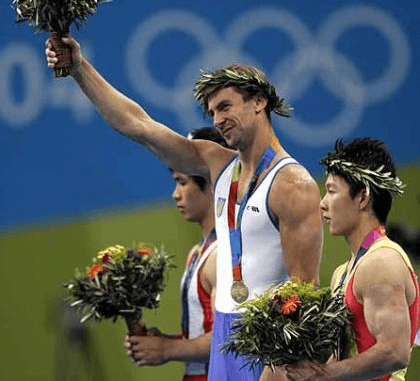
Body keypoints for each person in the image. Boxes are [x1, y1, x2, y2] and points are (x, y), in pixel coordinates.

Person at [45, 37, 323, 381]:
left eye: (225, 106)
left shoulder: (293, 185)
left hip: (265, 345)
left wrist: (278, 366)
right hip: (224, 338)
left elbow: (304, 291)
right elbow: (139, 126)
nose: (218, 120)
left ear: (259, 101)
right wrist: (79, 69)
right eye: (212, 112)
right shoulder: (217, 164)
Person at [284, 138, 420, 381]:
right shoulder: (343, 272)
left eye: (331, 191)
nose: (322, 204)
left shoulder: (381, 263)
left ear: (363, 197)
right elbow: (345, 358)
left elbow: (395, 352)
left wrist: (321, 375)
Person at [123, 127, 228, 380]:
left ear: (211, 183)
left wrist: (167, 350)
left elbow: (227, 340)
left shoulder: (221, 255)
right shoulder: (198, 252)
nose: (175, 194)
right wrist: (163, 341)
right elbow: (204, 330)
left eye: (182, 182)